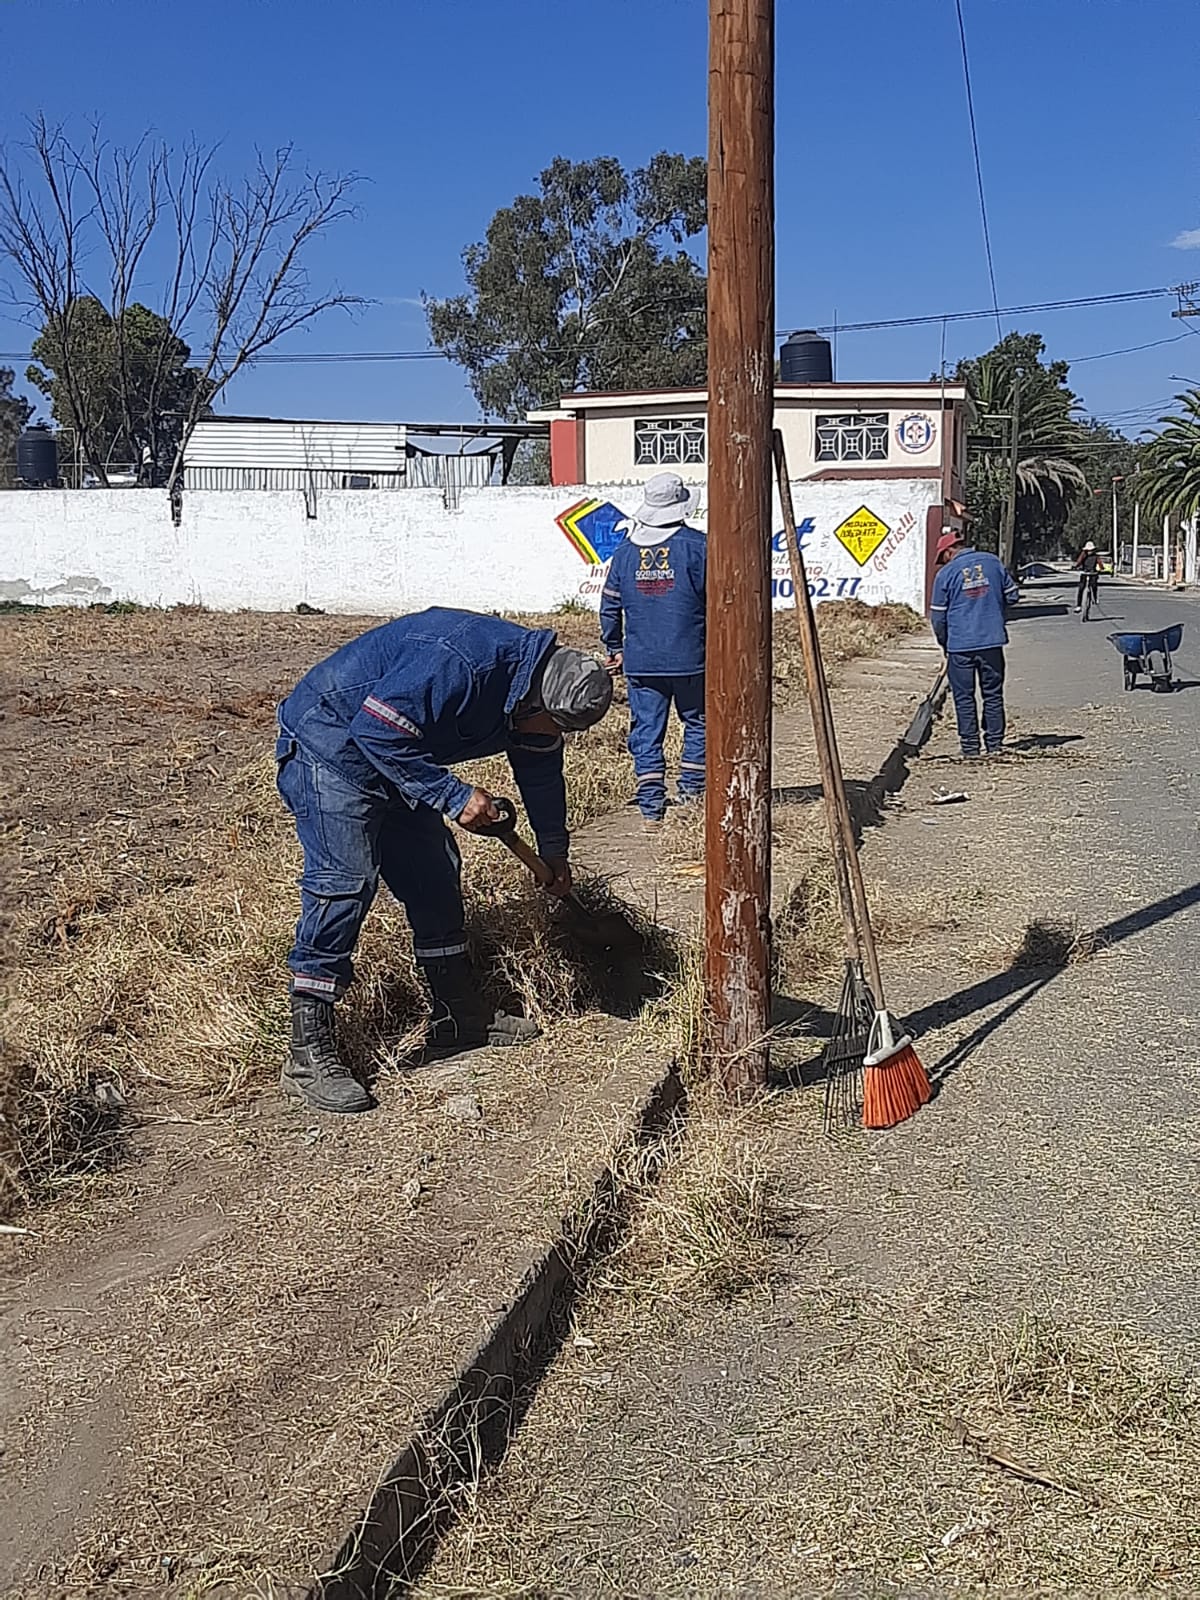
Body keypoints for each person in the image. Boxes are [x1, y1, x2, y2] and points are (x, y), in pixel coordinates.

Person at [275, 608, 614, 1113]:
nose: (551, 734)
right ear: (538, 699)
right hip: (333, 745)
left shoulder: (532, 693)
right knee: (344, 884)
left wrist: (554, 850)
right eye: (554, 724)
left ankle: (459, 1016)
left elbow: (541, 771)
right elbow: (376, 729)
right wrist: (453, 796)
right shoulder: (461, 661)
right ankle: (307, 1051)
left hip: (396, 757)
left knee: (435, 877)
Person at [599, 472, 706, 829]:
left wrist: (614, 645)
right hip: (691, 657)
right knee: (698, 724)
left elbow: (609, 606)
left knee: (646, 730)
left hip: (641, 661)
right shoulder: (699, 547)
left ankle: (651, 806)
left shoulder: (625, 554)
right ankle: (691, 795)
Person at [930, 531, 1020, 758]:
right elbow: (1012, 595)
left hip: (960, 646)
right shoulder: (992, 562)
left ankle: (970, 748)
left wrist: (945, 644)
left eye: (944, 556)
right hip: (991, 642)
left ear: (949, 551)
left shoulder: (946, 574)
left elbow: (938, 619)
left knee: (964, 697)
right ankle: (995, 745)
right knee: (993, 694)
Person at [1075, 540, 1101, 612]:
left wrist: (1101, 568)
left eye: (1091, 550)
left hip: (1093, 573)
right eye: (1088, 550)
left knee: (1094, 586)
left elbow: (1100, 563)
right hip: (1084, 573)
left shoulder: (1096, 556)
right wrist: (1076, 566)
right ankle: (1079, 605)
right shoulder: (1083, 555)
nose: (1089, 552)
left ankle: (1095, 599)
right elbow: (1079, 561)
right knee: (1081, 588)